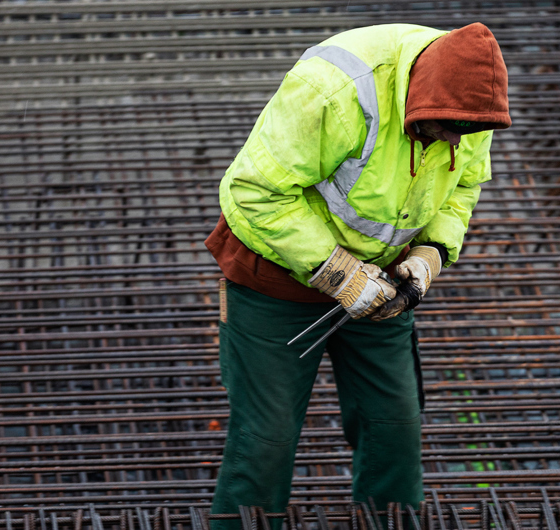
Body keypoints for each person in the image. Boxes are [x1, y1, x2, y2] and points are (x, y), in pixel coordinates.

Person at [204, 22, 510, 528]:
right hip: (275, 280)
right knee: (267, 437)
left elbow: (463, 186)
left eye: (468, 131)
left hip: (384, 284)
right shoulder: (335, 90)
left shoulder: (467, 106)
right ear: (420, 96)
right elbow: (252, 191)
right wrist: (339, 274)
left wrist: (431, 252)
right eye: (448, 127)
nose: (458, 139)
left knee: (394, 424)